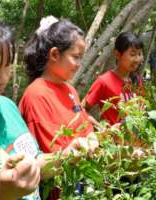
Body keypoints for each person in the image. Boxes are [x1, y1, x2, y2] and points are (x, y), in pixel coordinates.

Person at [0, 5, 94, 200]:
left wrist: (66, 157)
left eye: (8, 66)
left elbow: (35, 163)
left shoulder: (5, 106)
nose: (3, 78)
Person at [19, 17, 96, 154]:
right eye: (76, 57)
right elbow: (51, 152)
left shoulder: (70, 89)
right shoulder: (36, 94)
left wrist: (92, 138)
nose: (79, 64)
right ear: (55, 54)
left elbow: (85, 126)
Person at [82, 32, 145, 125]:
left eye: (139, 54)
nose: (137, 59)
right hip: (112, 139)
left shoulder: (137, 81)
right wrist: (100, 128)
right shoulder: (104, 81)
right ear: (117, 54)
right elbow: (81, 109)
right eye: (132, 54)